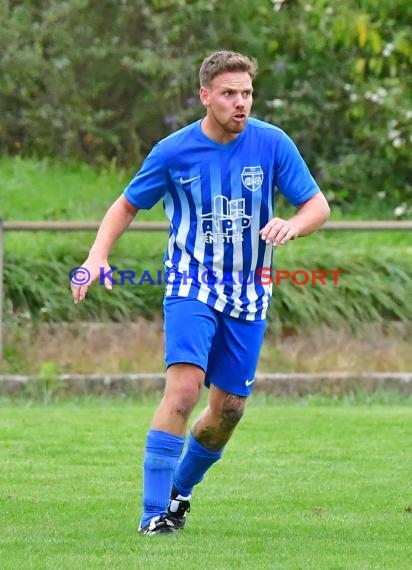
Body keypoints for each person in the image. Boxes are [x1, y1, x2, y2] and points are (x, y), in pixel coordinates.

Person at [71, 50, 330, 536]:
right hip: (191, 284)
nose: (241, 103)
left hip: (251, 292)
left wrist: (294, 225)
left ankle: (179, 491)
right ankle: (153, 517)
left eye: (247, 93)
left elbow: (317, 206)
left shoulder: (272, 143)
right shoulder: (173, 151)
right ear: (205, 96)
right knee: (185, 388)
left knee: (228, 410)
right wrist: (96, 257)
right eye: (230, 94)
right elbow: (126, 205)